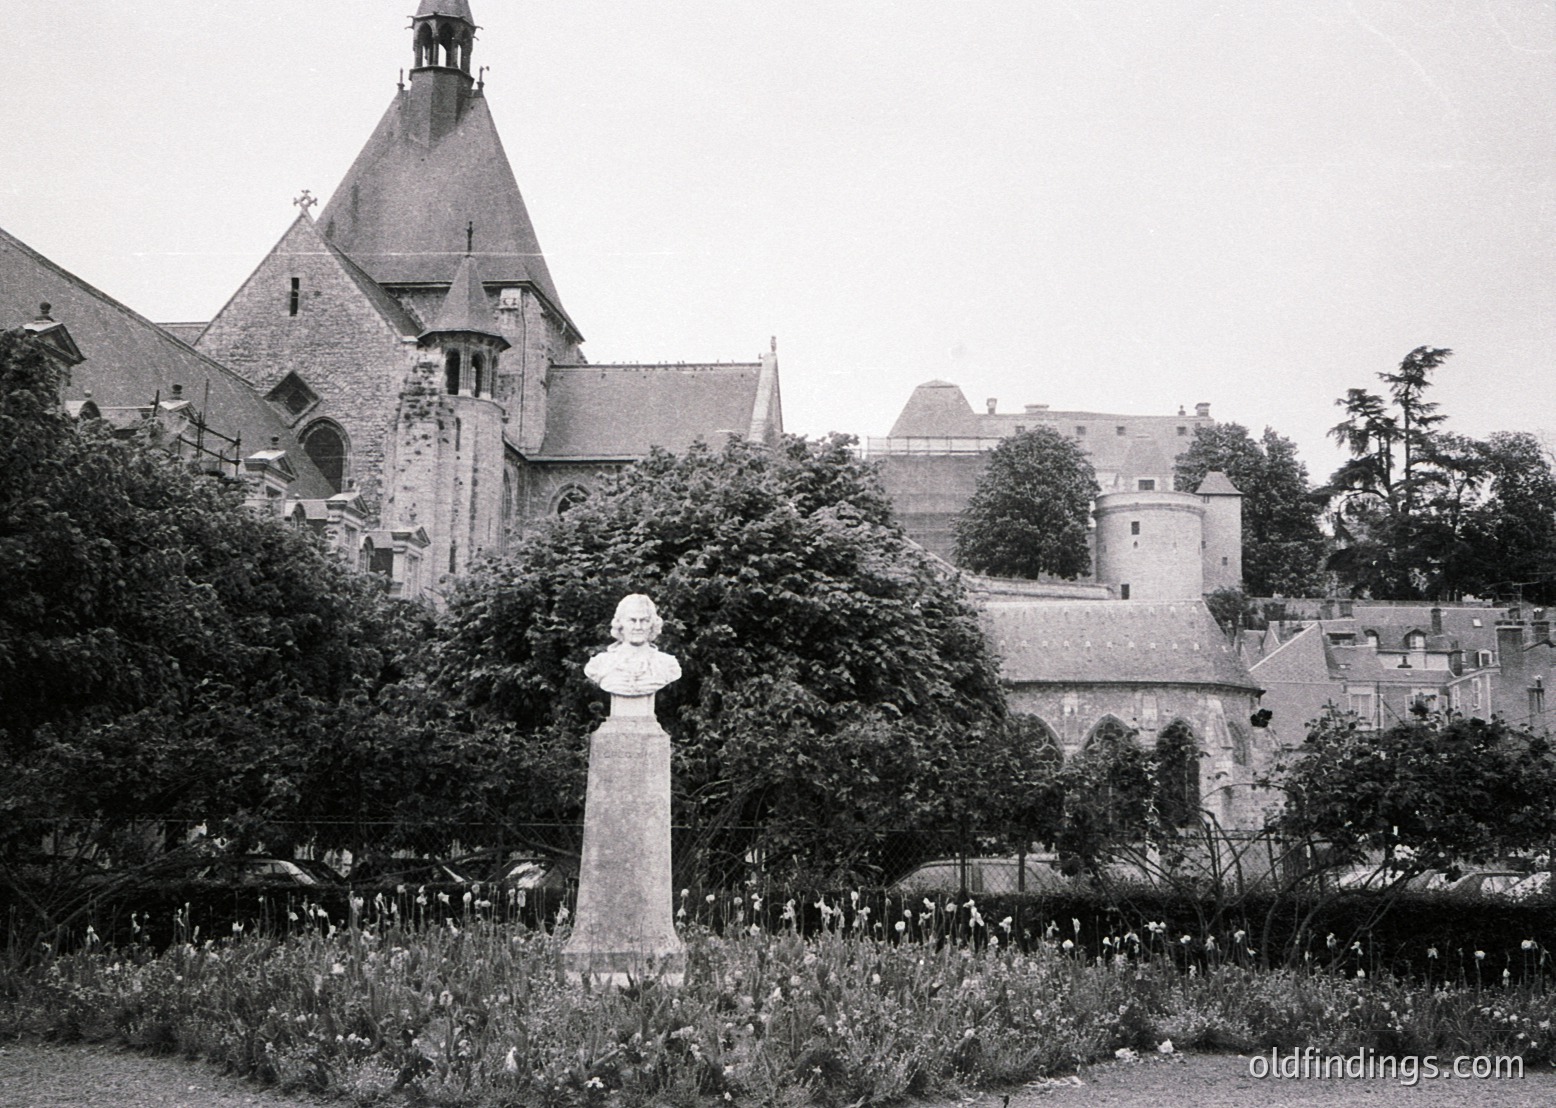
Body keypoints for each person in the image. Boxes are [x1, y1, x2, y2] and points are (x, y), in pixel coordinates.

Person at [583, 594, 681, 697]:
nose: (638, 627)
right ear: (620, 623)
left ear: (652, 625)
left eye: (644, 621)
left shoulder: (667, 664)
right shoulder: (600, 663)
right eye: (632, 621)